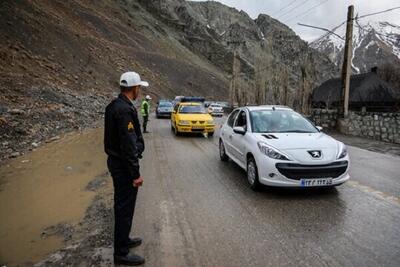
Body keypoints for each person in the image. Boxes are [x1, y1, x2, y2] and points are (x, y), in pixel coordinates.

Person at [104, 71, 148, 266]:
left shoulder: (114, 105)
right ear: (134, 88)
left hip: (118, 163)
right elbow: (128, 146)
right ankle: (121, 253)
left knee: (124, 207)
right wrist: (136, 174)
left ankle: (124, 240)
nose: (140, 90)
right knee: (124, 208)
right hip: (123, 167)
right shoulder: (124, 110)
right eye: (139, 87)